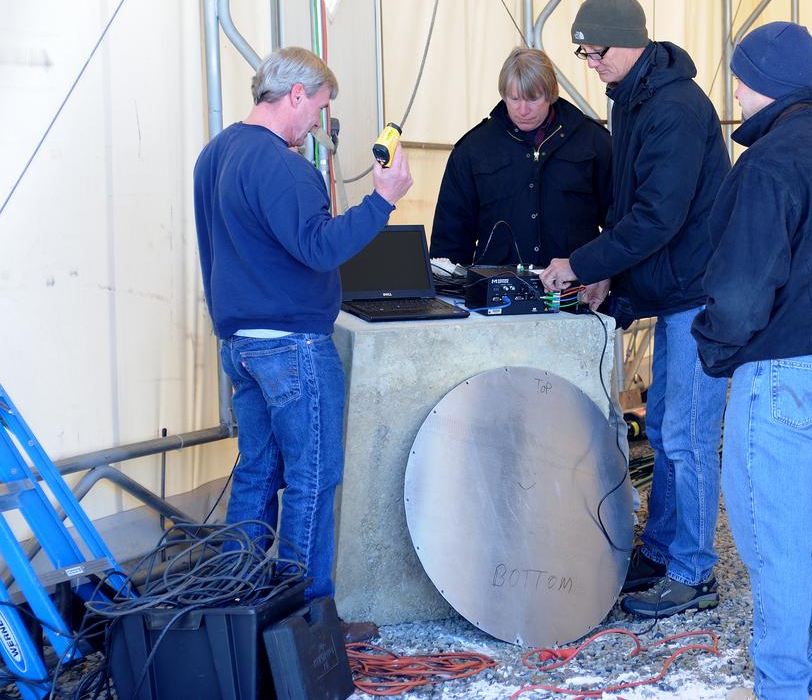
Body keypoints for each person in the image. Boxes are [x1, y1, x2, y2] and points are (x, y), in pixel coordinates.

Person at [692, 22, 812, 700]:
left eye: (739, 76)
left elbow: (741, 292)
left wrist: (713, 348)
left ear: (758, 83)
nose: (734, 89)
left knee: (777, 545)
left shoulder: (767, 164)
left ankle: (781, 690)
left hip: (780, 372)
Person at [193, 47, 413, 603]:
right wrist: (381, 201)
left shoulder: (213, 156)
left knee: (257, 475)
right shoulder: (285, 167)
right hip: (292, 346)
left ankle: (237, 612)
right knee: (313, 480)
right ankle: (305, 622)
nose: (317, 123)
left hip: (241, 346)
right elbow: (319, 248)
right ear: (295, 95)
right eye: (317, 108)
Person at [539, 0, 730, 617]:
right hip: (674, 291)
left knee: (687, 434)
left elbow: (656, 218)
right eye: (583, 54)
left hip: (697, 296)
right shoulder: (634, 101)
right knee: (670, 429)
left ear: (625, 41)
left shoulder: (673, 108)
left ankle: (694, 571)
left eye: (593, 52)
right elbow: (629, 206)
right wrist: (609, 282)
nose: (589, 64)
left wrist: (582, 263)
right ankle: (662, 548)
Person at [430, 47, 611, 267]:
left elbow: (619, 224)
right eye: (514, 98)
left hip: (574, 292)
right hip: (494, 295)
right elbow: (450, 238)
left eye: (533, 99)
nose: (523, 110)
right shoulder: (472, 149)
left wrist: (602, 274)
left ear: (551, 94)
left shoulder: (594, 142)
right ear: (503, 94)